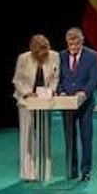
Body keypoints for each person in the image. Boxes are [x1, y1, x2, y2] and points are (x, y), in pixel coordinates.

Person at [12, 35, 59, 181]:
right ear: (33, 51)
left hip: (45, 100)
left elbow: (55, 78)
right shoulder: (23, 58)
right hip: (27, 101)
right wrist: (27, 93)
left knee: (45, 134)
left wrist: (51, 90)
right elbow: (17, 80)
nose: (45, 54)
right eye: (41, 52)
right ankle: (28, 173)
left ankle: (45, 172)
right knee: (27, 136)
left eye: (46, 50)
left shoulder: (55, 56)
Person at [57, 27, 97, 182]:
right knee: (70, 138)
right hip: (66, 104)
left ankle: (86, 170)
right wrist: (60, 91)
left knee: (86, 138)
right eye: (70, 45)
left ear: (81, 42)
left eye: (75, 45)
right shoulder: (60, 56)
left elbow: (93, 78)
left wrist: (84, 92)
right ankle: (71, 169)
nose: (72, 48)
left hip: (85, 105)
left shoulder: (92, 56)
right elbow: (58, 78)